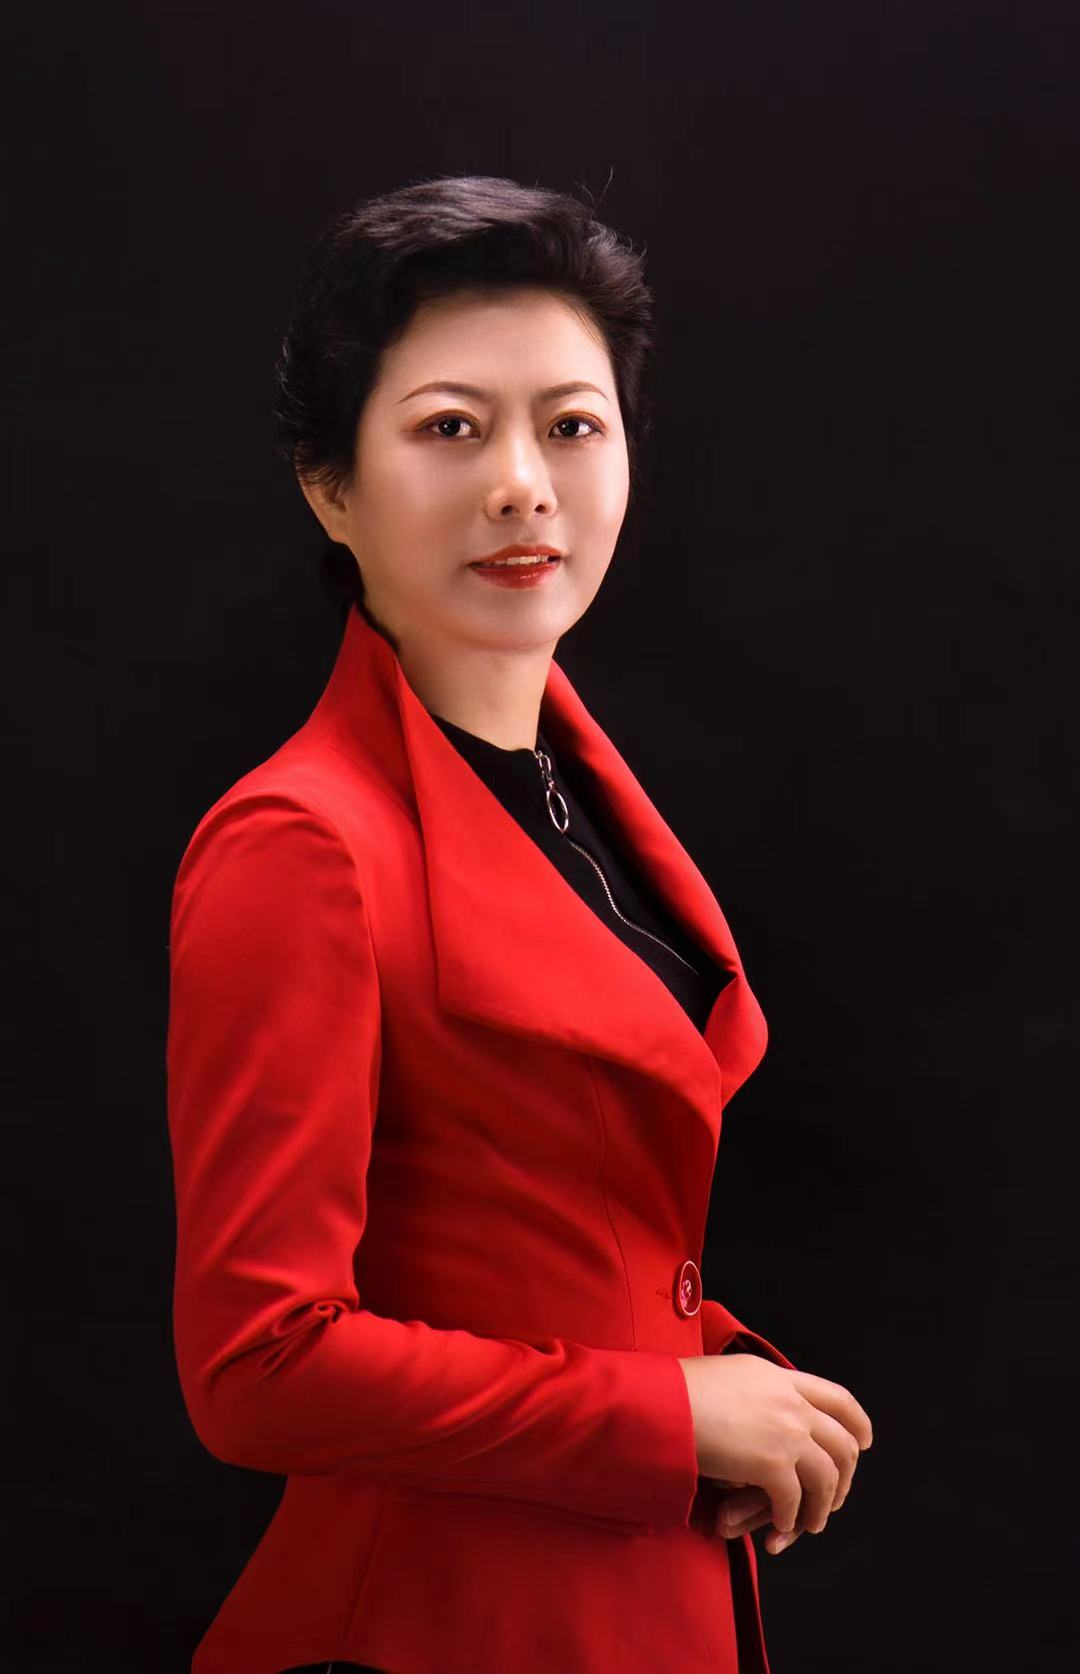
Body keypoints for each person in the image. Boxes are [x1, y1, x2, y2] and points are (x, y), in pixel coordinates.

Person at [165, 174, 873, 1674]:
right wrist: (665, 1412)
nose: (521, 484)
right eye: (449, 428)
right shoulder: (300, 844)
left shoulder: (575, 796)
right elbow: (258, 1363)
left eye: (571, 425)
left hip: (624, 1592)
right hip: (440, 1625)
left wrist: (716, 1366)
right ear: (330, 486)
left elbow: (546, 1228)